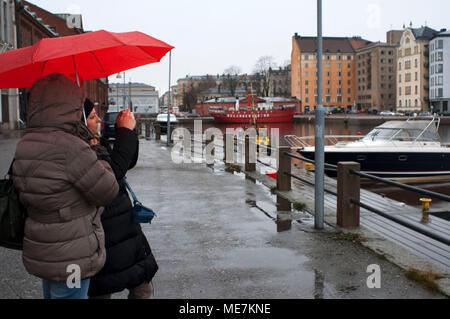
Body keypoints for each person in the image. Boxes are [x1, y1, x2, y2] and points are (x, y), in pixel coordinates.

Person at [12, 73, 119, 299]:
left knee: (53, 293)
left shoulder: (25, 144)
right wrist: (98, 157)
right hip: (72, 252)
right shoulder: (71, 148)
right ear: (70, 106)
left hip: (44, 247)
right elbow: (107, 191)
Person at [82, 100, 158, 299]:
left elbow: (126, 162)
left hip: (124, 229)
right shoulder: (77, 151)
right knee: (102, 290)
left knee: (142, 288)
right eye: (92, 116)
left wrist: (128, 132)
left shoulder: (94, 142)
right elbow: (112, 173)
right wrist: (124, 132)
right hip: (102, 233)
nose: (98, 119)